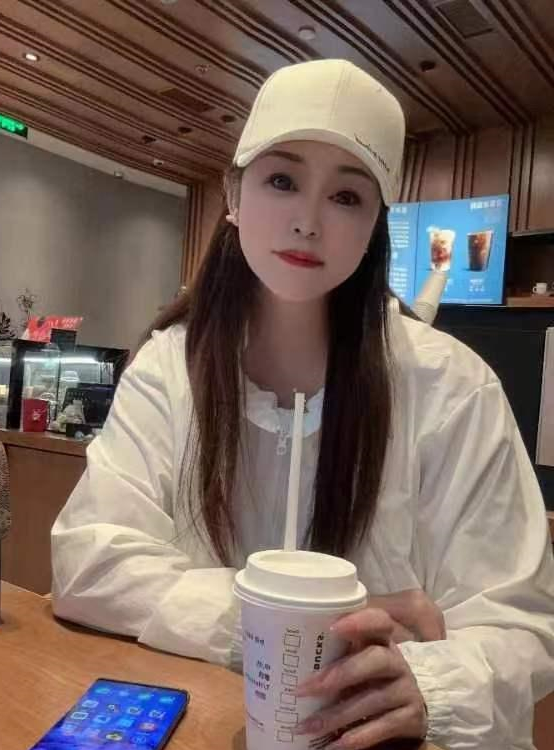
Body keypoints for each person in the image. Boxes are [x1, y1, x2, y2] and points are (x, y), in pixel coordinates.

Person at [51, 59, 554, 749]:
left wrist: (433, 682)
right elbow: (91, 559)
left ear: (375, 225)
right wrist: (289, 624)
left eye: (347, 196)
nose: (308, 222)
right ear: (234, 192)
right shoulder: (171, 368)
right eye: (282, 181)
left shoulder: (451, 387)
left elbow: (520, 623)